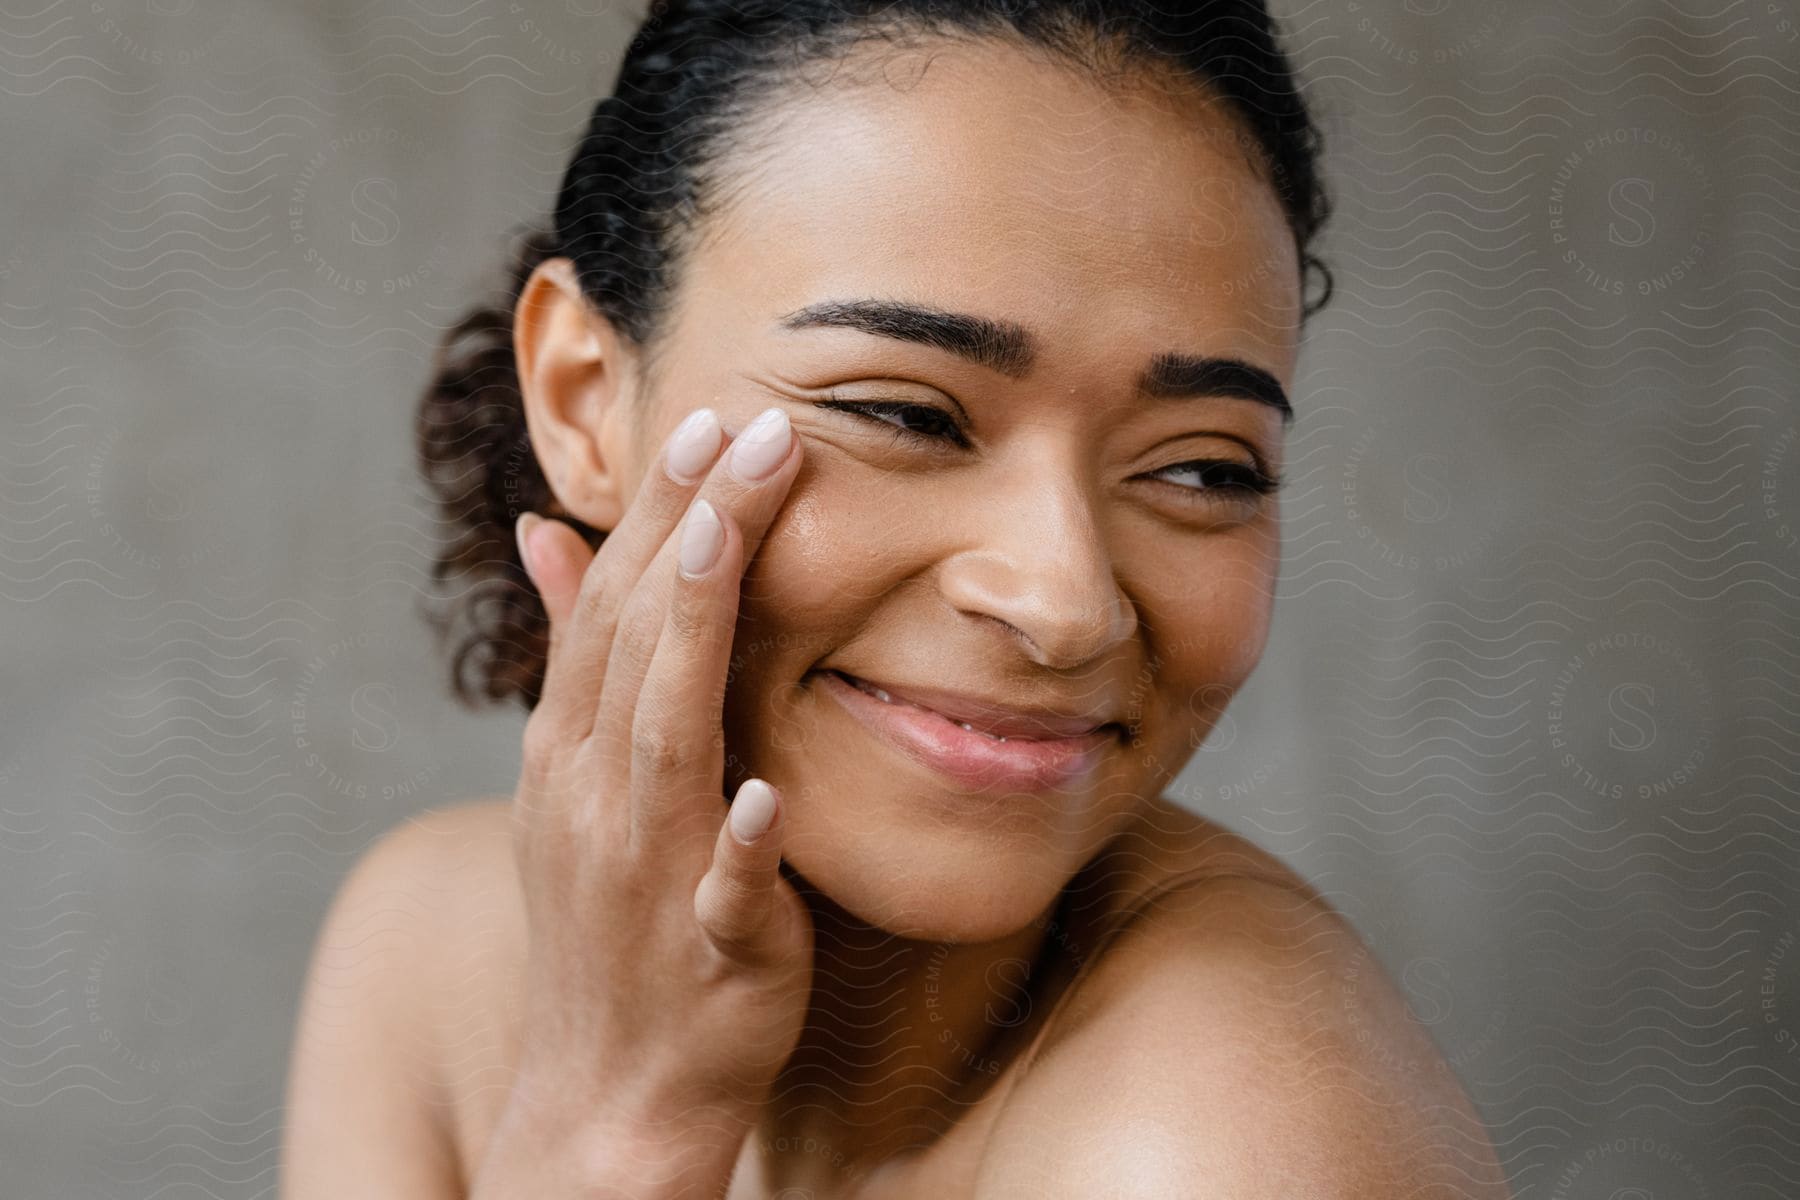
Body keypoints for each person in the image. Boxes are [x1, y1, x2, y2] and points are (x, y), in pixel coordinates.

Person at [282, 1, 1512, 1195]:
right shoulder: (426, 947)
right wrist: (614, 1101)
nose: (1068, 601)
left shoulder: (1233, 1137)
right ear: (582, 399)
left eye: (1202, 466)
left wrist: (619, 1125)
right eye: (905, 413)